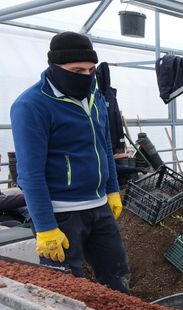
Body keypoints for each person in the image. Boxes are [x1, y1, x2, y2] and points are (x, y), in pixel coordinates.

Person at [10, 31, 130, 293]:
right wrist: (45, 227)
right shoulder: (32, 105)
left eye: (91, 70)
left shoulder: (95, 97)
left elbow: (105, 146)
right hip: (61, 213)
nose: (85, 77)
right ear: (55, 66)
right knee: (66, 290)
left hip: (99, 208)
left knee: (117, 273)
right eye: (77, 70)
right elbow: (29, 173)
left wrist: (111, 190)